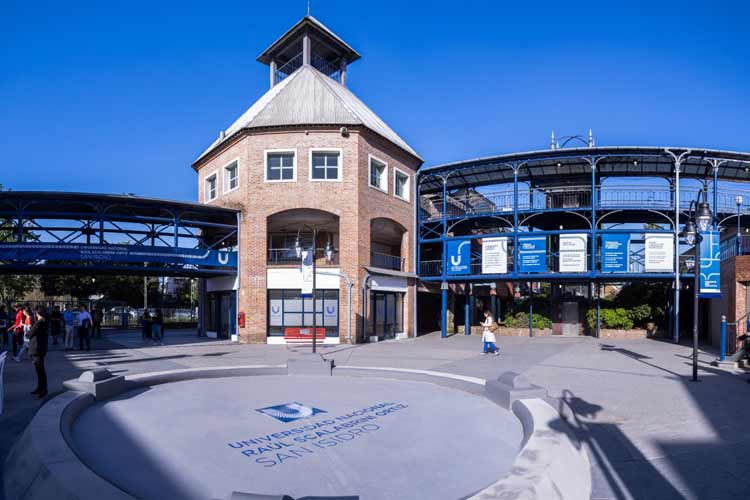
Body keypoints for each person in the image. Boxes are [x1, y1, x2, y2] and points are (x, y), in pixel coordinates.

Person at [28, 307, 49, 398]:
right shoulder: (44, 322)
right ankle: (40, 388)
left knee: (40, 370)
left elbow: (29, 334)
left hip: (37, 349)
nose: (35, 315)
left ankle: (43, 389)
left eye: (36, 313)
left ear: (38, 314)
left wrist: (29, 329)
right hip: (40, 349)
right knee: (39, 370)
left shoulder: (39, 323)